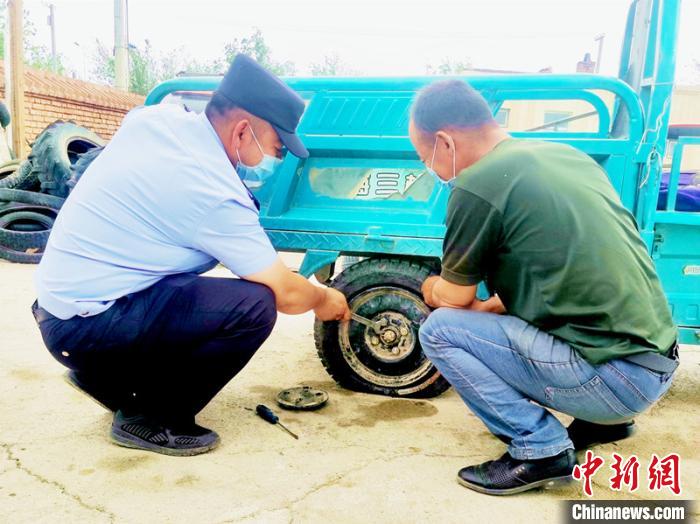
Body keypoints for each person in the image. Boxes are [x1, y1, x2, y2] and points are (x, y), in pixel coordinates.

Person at [32, 55, 350, 457]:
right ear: (242, 131)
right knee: (254, 306)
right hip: (86, 327)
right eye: (277, 146)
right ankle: (151, 418)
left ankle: (103, 378)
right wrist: (324, 300)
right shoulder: (210, 189)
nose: (278, 157)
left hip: (58, 308)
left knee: (195, 288)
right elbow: (287, 295)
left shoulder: (158, 122)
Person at [409, 80, 678, 495]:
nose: (429, 166)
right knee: (494, 317)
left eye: (423, 155)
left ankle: (540, 448)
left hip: (614, 380)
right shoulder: (565, 157)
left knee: (440, 329)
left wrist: (430, 286)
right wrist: (493, 309)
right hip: (655, 364)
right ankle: (604, 422)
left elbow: (456, 297)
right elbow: (559, 271)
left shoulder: (478, 183)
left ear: (444, 142)